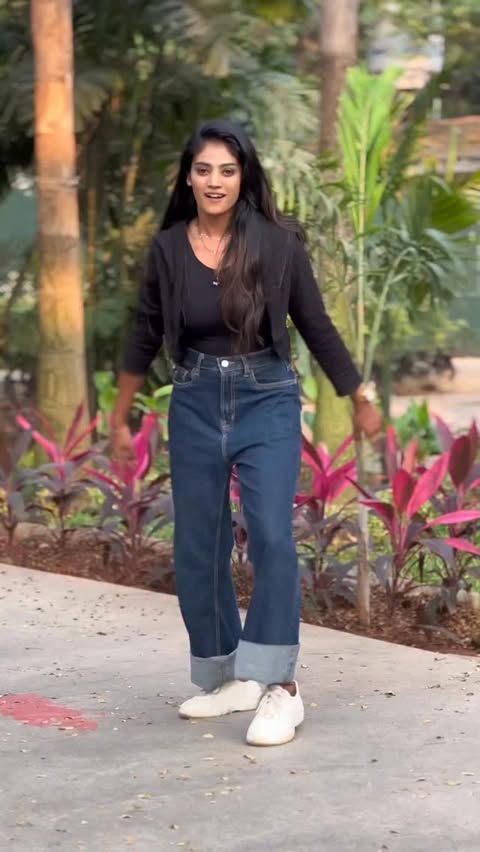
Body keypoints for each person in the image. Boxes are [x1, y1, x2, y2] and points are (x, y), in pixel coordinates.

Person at [110, 119, 382, 747]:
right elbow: (144, 332)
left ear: (243, 177)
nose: (215, 181)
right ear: (187, 177)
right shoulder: (168, 249)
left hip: (267, 398)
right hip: (195, 399)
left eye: (227, 171)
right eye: (204, 169)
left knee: (271, 536)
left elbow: (316, 325)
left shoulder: (277, 245)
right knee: (198, 546)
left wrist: (358, 396)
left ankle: (281, 687)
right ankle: (231, 674)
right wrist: (120, 417)